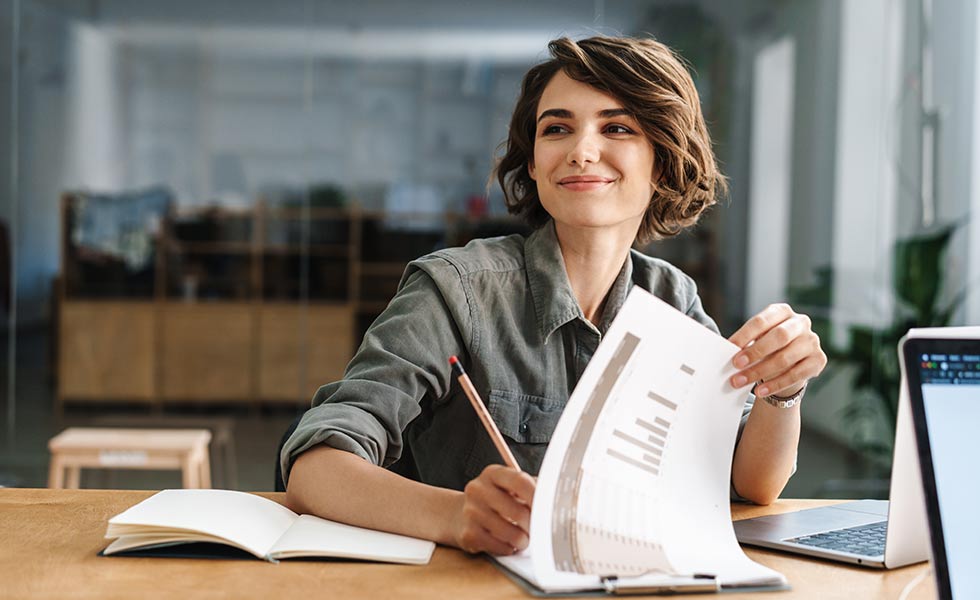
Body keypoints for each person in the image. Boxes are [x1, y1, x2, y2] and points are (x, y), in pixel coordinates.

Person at [282, 35, 827, 557]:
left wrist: (783, 390)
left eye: (616, 128)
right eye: (557, 129)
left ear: (662, 158)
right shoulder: (455, 288)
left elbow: (749, 484)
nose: (582, 152)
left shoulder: (671, 297)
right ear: (535, 162)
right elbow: (316, 466)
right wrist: (455, 516)